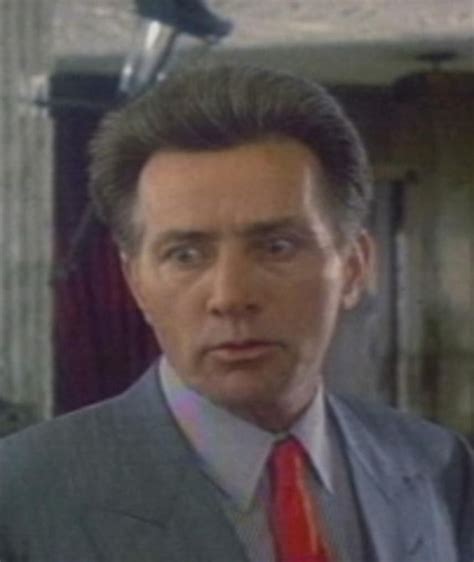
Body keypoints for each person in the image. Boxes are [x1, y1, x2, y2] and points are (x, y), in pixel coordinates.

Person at [0, 64, 472, 562]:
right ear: (136, 282)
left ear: (354, 268)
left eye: (276, 247)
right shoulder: (21, 495)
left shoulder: (435, 462)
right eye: (186, 255)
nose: (230, 296)